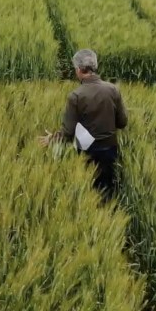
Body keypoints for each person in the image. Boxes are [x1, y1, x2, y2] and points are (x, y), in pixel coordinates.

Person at [38, 49, 128, 202]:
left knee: (89, 192)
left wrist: (52, 138)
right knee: (107, 192)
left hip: (88, 152)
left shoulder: (76, 96)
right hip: (110, 150)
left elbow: (68, 132)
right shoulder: (113, 90)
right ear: (94, 66)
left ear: (79, 69)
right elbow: (122, 122)